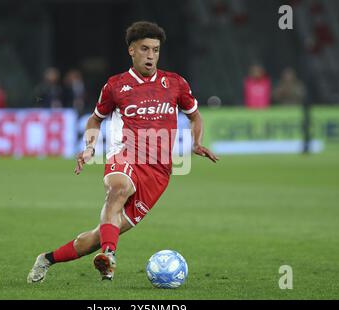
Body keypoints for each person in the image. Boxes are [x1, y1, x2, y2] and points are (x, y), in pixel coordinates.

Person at [27, 21, 219, 283]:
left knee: (99, 235)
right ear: (131, 50)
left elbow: (195, 116)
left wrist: (196, 142)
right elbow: (95, 119)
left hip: (158, 172)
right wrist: (89, 148)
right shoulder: (116, 86)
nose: (151, 55)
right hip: (124, 155)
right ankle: (110, 255)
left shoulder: (175, 83)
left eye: (155, 50)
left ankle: (47, 259)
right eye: (144, 49)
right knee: (117, 189)